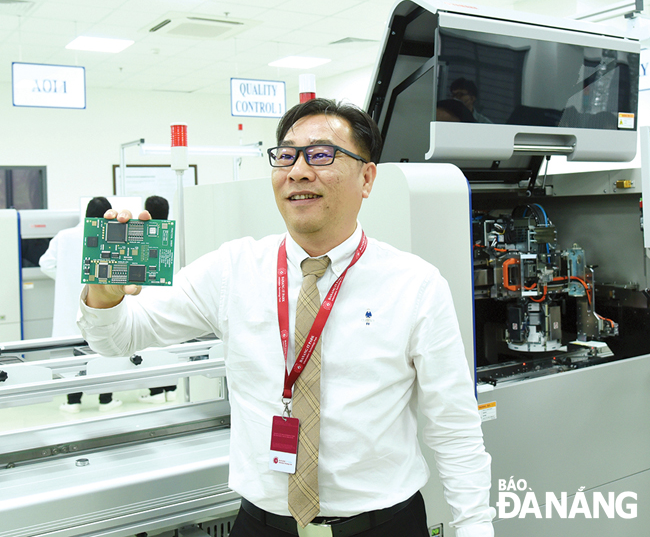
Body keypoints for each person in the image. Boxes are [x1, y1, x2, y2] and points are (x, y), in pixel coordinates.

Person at [78, 99, 495, 536]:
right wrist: (104, 295)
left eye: (320, 154)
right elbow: (117, 339)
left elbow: (453, 425)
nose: (297, 171)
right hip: (263, 526)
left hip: (383, 525)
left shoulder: (415, 285)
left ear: (367, 177)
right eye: (286, 155)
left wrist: (474, 526)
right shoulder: (232, 269)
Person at [40, 196, 122, 413]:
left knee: (72, 353)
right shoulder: (113, 236)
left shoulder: (65, 236)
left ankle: (73, 401)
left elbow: (45, 263)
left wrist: (66, 279)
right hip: (100, 306)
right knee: (103, 350)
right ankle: (106, 400)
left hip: (70, 306)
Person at [138, 195, 178, 405]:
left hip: (149, 303)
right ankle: (171, 388)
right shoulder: (174, 234)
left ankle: (155, 392)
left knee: (151, 348)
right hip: (173, 301)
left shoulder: (144, 236)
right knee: (169, 346)